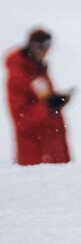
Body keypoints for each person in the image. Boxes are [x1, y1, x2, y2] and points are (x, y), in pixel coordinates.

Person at [5, 29, 72, 165]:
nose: (46, 52)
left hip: (52, 149)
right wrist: (48, 106)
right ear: (33, 47)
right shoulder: (19, 73)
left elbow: (44, 99)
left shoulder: (38, 69)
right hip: (36, 155)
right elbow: (20, 116)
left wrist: (56, 101)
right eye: (43, 47)